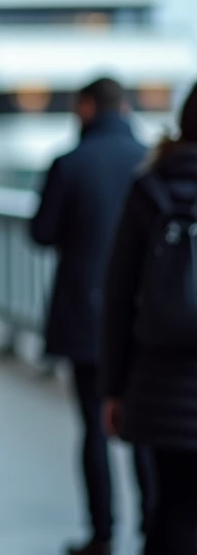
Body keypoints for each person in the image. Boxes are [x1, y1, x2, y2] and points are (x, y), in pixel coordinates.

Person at [31, 76, 156, 555]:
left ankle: (102, 533)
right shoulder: (149, 163)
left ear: (85, 107)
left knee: (92, 427)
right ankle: (152, 525)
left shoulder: (69, 164)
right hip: (146, 320)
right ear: (123, 107)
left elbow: (42, 233)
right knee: (146, 425)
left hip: (85, 314)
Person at [103, 82, 197, 555]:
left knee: (174, 507)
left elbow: (119, 295)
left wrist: (114, 388)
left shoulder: (150, 187)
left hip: (161, 381)